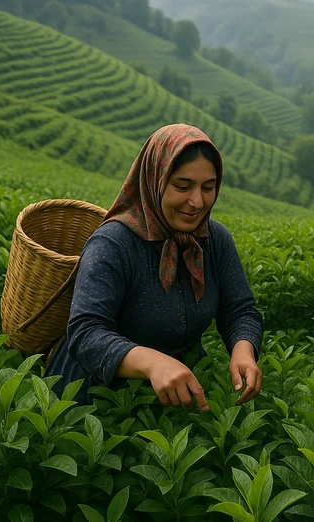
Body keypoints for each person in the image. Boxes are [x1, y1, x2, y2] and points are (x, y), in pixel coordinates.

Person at [46, 123, 264, 411]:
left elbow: (240, 309)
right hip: (95, 402)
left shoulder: (214, 240)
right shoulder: (114, 243)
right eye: (182, 186)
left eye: (208, 188)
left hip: (177, 397)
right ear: (154, 179)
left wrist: (243, 350)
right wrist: (152, 362)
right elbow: (86, 333)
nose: (197, 202)